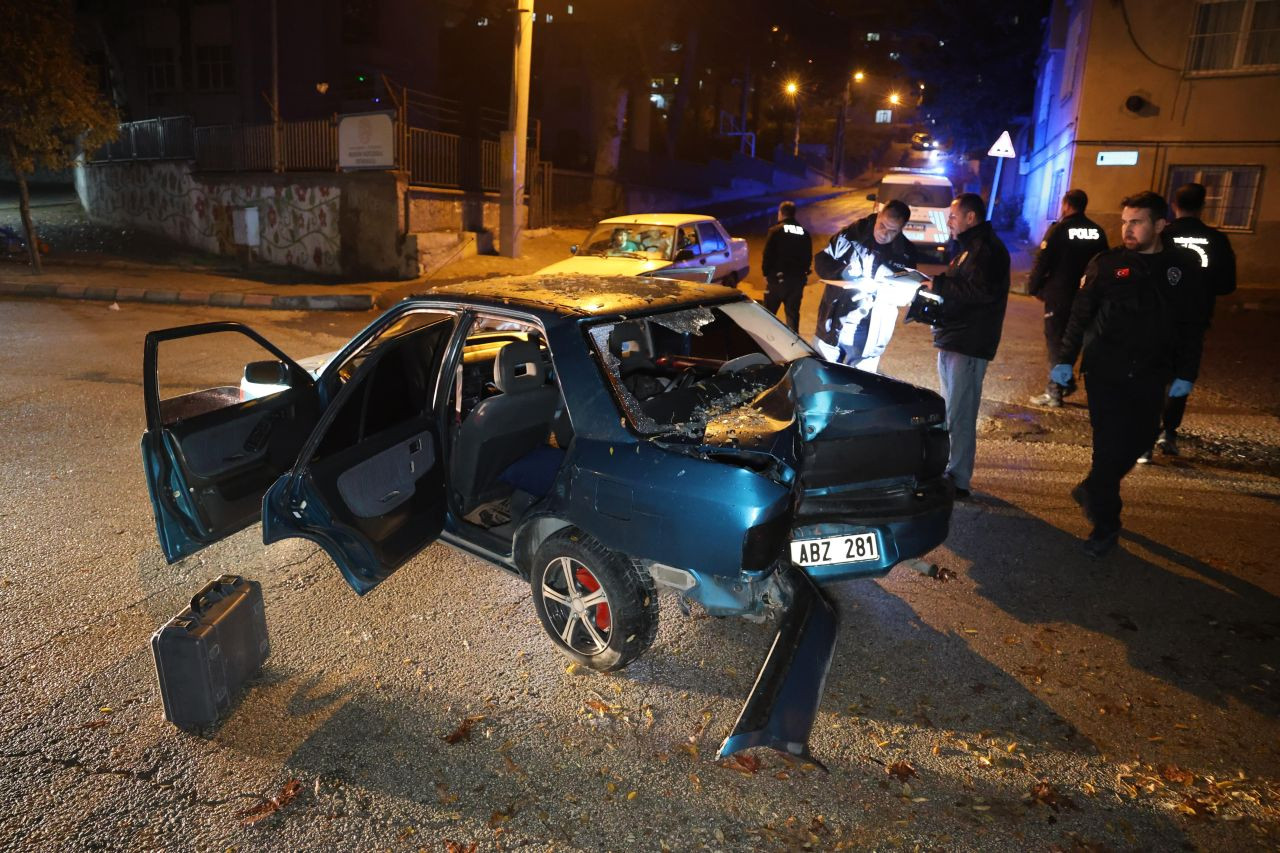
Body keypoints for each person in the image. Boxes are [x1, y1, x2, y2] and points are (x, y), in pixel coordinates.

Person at [1052, 191, 1204, 557]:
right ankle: (1106, 526)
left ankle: (1093, 487)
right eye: (1125, 222)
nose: (1128, 229)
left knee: (1142, 440)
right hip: (1106, 371)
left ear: (1160, 225)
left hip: (1153, 372)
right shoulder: (1106, 264)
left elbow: (1192, 324)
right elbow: (1080, 315)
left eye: (1136, 222)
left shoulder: (1180, 267)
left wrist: (1187, 371)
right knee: (1107, 450)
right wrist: (1064, 360)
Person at [1137, 182, 1237, 461]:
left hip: (1158, 318)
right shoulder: (1217, 240)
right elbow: (1227, 284)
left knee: (1153, 375)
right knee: (1182, 375)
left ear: (1174, 205)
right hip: (1195, 320)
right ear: (1203, 205)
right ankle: (1168, 433)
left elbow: (1143, 271)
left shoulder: (1163, 235)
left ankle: (1145, 441)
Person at [926, 192, 1010, 500]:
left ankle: (959, 479)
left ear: (970, 217)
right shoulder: (967, 250)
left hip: (970, 344)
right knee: (952, 411)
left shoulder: (987, 251)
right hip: (954, 338)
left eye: (953, 216)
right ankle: (951, 471)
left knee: (961, 413)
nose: (949, 221)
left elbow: (981, 292)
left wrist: (940, 285)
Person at [812, 199, 920, 372]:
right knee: (821, 378)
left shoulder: (905, 253)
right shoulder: (852, 235)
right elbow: (821, 260)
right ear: (878, 216)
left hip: (871, 330)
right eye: (882, 225)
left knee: (861, 387)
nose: (884, 233)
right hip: (833, 320)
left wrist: (886, 291)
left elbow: (907, 292)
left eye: (893, 231)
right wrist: (843, 271)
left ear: (902, 229)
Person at [1027, 189, 1109, 408]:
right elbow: (1104, 264)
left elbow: (1042, 260)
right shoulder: (1097, 232)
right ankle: (1065, 382)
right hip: (1087, 296)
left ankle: (1055, 391)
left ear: (1065, 205)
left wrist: (1032, 287)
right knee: (1072, 342)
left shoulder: (1059, 229)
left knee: (1056, 342)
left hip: (1059, 295)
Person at [760, 201, 813, 332]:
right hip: (797, 281)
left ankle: (765, 343)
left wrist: (766, 274)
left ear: (781, 213)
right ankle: (794, 346)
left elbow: (767, 255)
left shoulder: (775, 231)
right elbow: (808, 256)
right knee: (792, 316)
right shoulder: (804, 233)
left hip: (777, 280)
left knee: (768, 316)